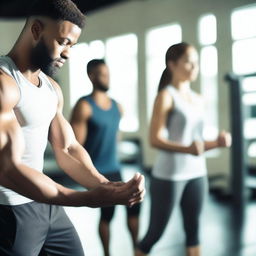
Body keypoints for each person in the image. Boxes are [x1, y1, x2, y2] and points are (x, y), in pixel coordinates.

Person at [0, 0, 145, 255]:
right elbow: (8, 169)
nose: (67, 53)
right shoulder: (5, 84)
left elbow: (67, 148)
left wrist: (103, 186)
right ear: (36, 30)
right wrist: (83, 199)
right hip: (11, 210)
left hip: (48, 205)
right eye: (63, 42)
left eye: (72, 46)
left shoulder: (51, 89)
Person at [135, 42, 231, 256]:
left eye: (196, 62)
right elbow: (155, 139)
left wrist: (217, 141)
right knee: (155, 233)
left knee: (194, 231)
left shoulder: (199, 99)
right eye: (188, 61)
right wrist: (187, 149)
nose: (193, 67)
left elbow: (195, 141)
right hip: (170, 174)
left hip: (197, 173)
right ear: (172, 64)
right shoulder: (166, 96)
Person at [70, 59, 141, 256]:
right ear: (91, 76)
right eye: (102, 74)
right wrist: (86, 175)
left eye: (108, 74)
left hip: (114, 167)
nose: (107, 78)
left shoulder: (118, 107)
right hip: (97, 170)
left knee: (134, 202)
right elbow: (74, 146)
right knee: (107, 213)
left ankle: (137, 250)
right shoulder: (84, 106)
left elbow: (115, 137)